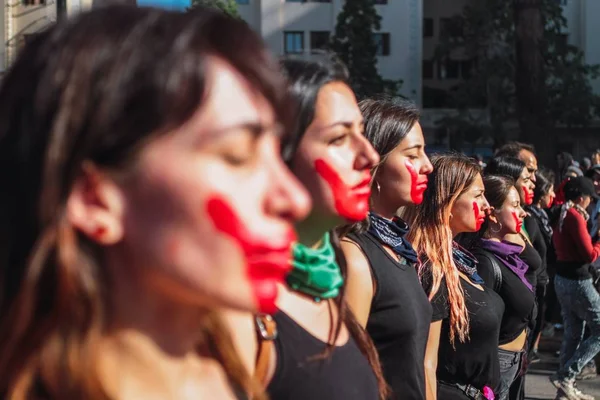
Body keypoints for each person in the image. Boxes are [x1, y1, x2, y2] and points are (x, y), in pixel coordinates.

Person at [0, 6, 313, 400]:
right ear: (94, 199)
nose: (295, 199)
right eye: (236, 155)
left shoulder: (233, 375)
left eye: (277, 154)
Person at [234, 58, 388, 400]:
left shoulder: (331, 275)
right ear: (275, 154)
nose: (370, 155)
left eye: (361, 132)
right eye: (338, 139)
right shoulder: (236, 311)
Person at [341, 97, 434, 399]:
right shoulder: (355, 256)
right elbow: (347, 376)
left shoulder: (398, 247)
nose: (428, 166)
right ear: (374, 162)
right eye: (413, 154)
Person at [403, 154, 503, 400]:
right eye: (478, 195)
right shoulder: (430, 269)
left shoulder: (457, 258)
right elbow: (426, 364)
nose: (487, 204)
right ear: (448, 201)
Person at [461, 175, 535, 400]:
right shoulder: (485, 261)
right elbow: (483, 326)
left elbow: (534, 260)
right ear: (492, 214)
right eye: (515, 205)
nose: (523, 212)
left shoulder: (509, 256)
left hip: (513, 358)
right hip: (497, 364)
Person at [550, 177, 600, 400]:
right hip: (578, 281)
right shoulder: (574, 216)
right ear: (582, 198)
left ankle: (563, 391)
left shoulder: (562, 213)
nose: (590, 203)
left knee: (573, 333)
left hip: (562, 279)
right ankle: (567, 375)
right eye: (589, 199)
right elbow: (588, 254)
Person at [526, 169, 558, 362]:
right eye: (550, 191)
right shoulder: (531, 219)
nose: (553, 195)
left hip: (543, 277)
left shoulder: (544, 216)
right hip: (534, 279)